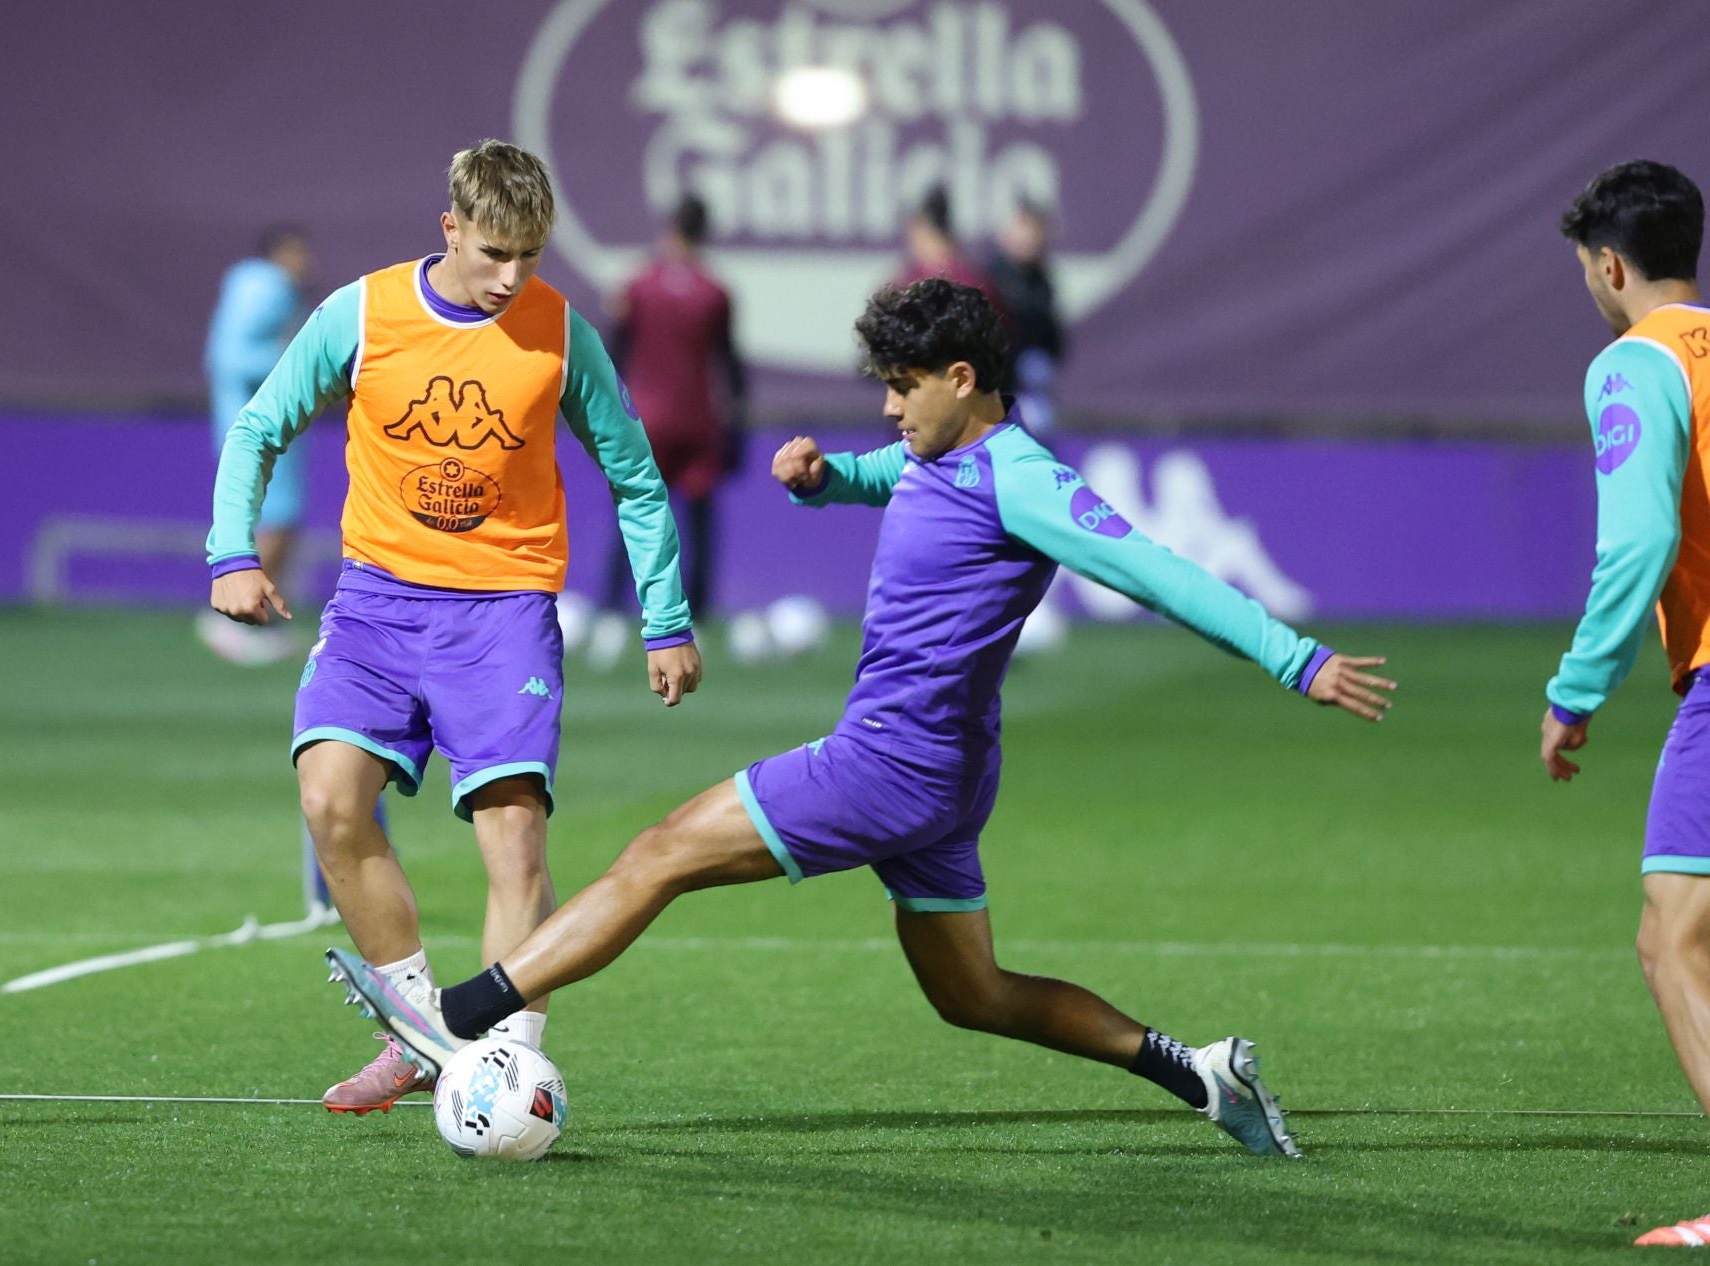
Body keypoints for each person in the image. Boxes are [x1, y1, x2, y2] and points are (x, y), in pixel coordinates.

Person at [327, 278, 1396, 1157]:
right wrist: (826, 478)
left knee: (657, 855)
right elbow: (894, 474)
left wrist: (1296, 660)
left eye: (903, 386)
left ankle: (454, 1016)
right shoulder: (946, 455)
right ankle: (1202, 1075)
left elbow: (1159, 573)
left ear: (964, 380)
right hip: (946, 776)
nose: (890, 408)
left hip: (889, 765)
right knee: (973, 994)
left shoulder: (1025, 480)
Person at [206, 139, 702, 1114]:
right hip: (377, 607)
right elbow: (259, 425)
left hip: (504, 615)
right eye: (492, 254)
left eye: (530, 255)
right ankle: (426, 1032)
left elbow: (636, 479)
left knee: (513, 841)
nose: (511, 278)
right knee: (331, 802)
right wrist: (233, 554)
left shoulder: (562, 334)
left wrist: (666, 619)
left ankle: (508, 1067)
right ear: (450, 230)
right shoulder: (361, 312)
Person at [1531, 161, 1708, 1249]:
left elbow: (1639, 539)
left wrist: (1577, 689)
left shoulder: (1633, 367)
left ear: (1609, 265)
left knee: (1671, 936)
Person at [595, 194, 746, 643]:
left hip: (647, 422)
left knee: (635, 514)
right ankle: (696, 615)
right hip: (698, 420)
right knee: (698, 524)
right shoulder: (715, 292)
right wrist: (736, 426)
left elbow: (612, 356)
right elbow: (729, 364)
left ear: (668, 229)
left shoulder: (637, 287)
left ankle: (611, 611)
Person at [199, 225, 314, 665]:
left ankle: (253, 620)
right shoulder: (266, 287)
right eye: (299, 252)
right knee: (277, 520)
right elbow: (230, 357)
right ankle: (231, 619)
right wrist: (302, 362)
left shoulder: (252, 285)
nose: (307, 263)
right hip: (258, 423)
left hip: (254, 418)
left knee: (281, 520)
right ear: (281, 253)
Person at [986, 200, 1066, 434]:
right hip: (1001, 379)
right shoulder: (994, 276)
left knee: (1037, 372)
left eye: (1033, 231)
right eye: (1023, 229)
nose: (1028, 239)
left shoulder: (1042, 280)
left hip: (1029, 384)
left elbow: (1052, 339)